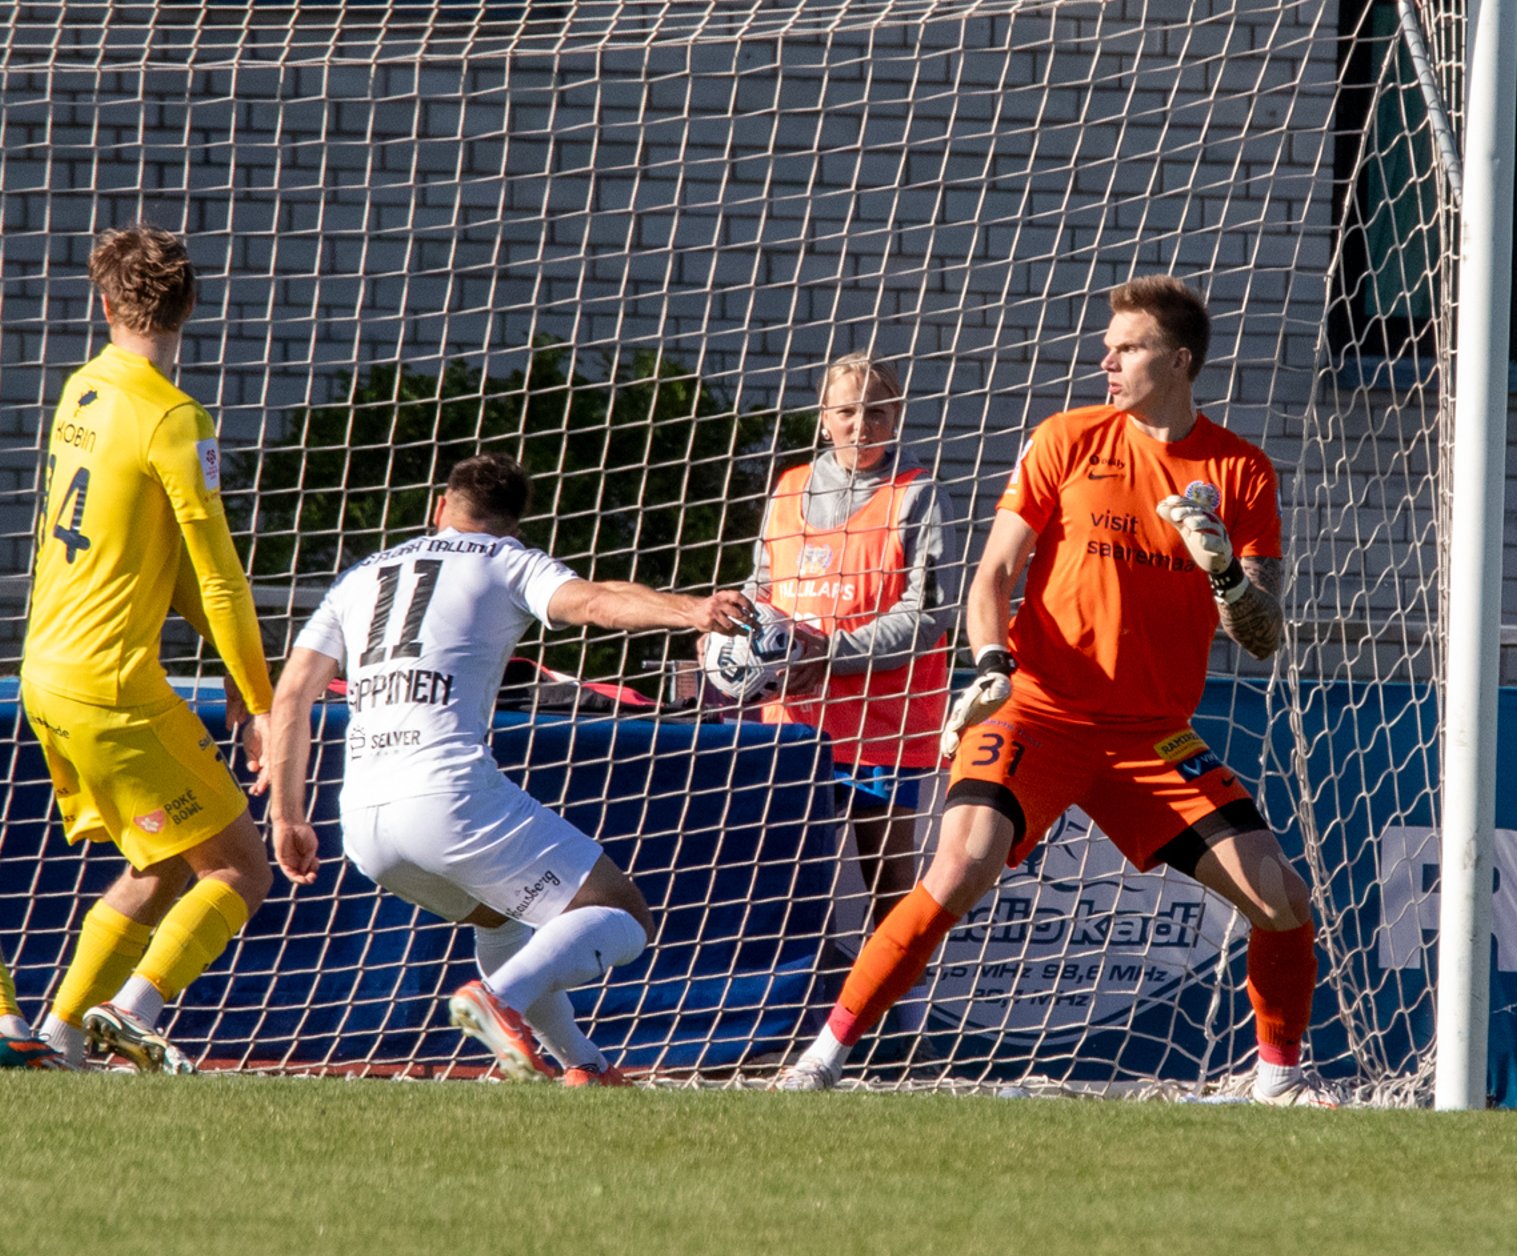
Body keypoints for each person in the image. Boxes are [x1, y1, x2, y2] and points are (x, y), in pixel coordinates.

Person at [780, 276, 1340, 1105]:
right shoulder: (1068, 438)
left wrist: (1221, 568)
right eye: (1107, 348)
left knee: (1283, 899)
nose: (1105, 362)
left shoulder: (1241, 470)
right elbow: (992, 574)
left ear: (1179, 360)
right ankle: (818, 1062)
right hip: (1037, 707)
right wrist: (990, 665)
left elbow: (1259, 633)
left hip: (1151, 734)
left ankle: (1278, 1081)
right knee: (958, 868)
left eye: (1127, 348)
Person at [265, 453, 756, 1086]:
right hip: (445, 793)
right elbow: (599, 603)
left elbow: (291, 696)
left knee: (501, 918)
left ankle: (584, 1067)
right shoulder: (505, 560)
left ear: (441, 508)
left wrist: (286, 814)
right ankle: (500, 1001)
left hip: (360, 821)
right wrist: (689, 610)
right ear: (513, 526)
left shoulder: (361, 575)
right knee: (623, 911)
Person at [23, 224, 276, 1075]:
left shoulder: (80, 391)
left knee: (165, 855)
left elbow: (160, 570)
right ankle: (129, 1011)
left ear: (104, 303)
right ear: (193, 307)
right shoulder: (176, 419)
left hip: (43, 672)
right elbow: (218, 580)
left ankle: (56, 1039)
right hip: (112, 685)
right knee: (242, 866)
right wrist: (262, 702)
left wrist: (235, 669)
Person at [742, 353, 956, 1065]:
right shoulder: (789, 487)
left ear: (896, 417)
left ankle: (902, 1031)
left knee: (889, 879)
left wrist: (826, 651)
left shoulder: (915, 493)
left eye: (877, 410)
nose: (861, 423)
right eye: (846, 409)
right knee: (785, 874)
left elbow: (926, 614)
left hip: (886, 723)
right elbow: (761, 588)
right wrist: (747, 646)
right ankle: (778, 1023)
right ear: (823, 416)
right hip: (792, 724)